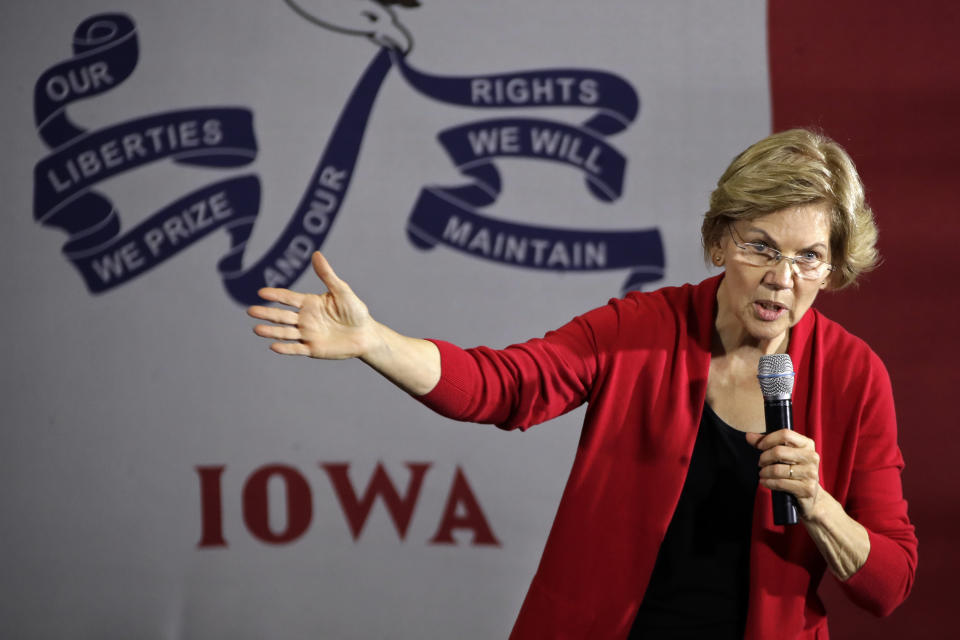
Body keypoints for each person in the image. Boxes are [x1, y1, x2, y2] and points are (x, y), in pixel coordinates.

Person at [248, 129, 917, 639]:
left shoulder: (855, 376)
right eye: (761, 247)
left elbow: (887, 584)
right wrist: (374, 340)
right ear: (718, 243)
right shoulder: (639, 328)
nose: (783, 278)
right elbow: (502, 386)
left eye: (809, 259)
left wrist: (819, 504)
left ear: (834, 269)